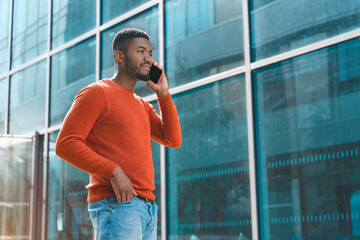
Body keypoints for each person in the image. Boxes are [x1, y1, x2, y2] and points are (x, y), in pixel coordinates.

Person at [55, 28, 182, 240]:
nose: (148, 59)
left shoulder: (142, 105)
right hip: (116, 204)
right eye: (141, 51)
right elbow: (65, 144)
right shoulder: (97, 92)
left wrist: (163, 95)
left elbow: (173, 139)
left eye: (150, 53)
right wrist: (113, 171)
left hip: (147, 208)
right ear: (120, 56)